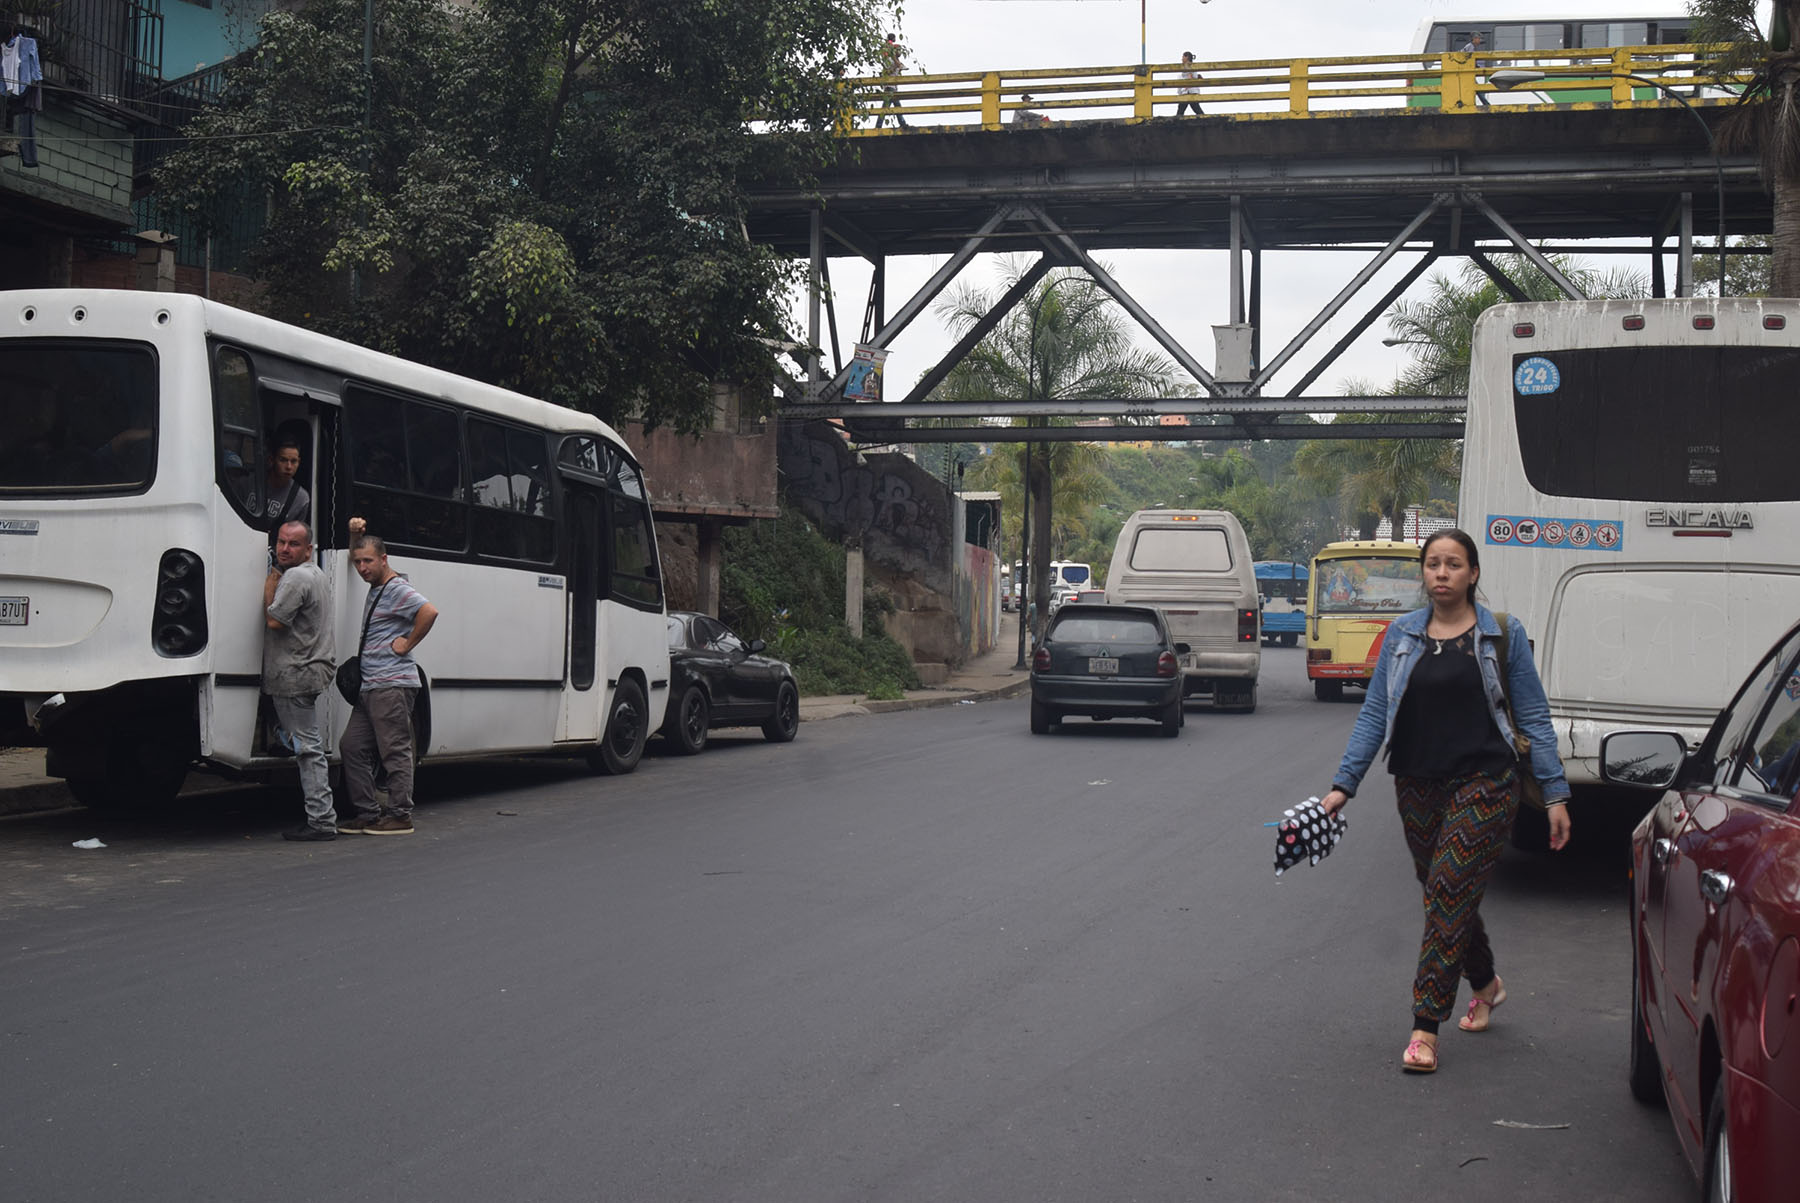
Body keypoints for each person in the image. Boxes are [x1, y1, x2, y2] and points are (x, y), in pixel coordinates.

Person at [1318, 528, 1571, 1075]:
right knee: (1443, 896)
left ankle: (1424, 1027)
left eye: (1453, 564)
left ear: (1472, 574)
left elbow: (1532, 717)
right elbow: (1373, 715)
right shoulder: (1402, 636)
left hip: (1486, 782)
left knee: (1450, 890)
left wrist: (1554, 793)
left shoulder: (1503, 635)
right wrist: (1344, 785)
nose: (1441, 573)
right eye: (1432, 564)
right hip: (1415, 783)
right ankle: (1485, 982)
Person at [338, 518, 439, 836]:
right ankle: (368, 813)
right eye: (357, 562)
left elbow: (429, 611)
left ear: (384, 559)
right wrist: (355, 536)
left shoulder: (396, 588)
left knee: (394, 750)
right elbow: (357, 549)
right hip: (371, 686)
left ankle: (400, 815)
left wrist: (408, 643)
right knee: (351, 746)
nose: (362, 568)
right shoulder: (377, 586)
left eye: (368, 561)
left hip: (392, 684)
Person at [264, 520, 337, 841]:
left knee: (308, 749)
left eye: (293, 544)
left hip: (295, 673)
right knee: (305, 744)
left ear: (309, 549)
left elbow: (274, 620)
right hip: (311, 670)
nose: (284, 549)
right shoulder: (317, 574)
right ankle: (322, 817)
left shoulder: (294, 576)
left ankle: (321, 820)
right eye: (281, 542)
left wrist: (272, 578)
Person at [263, 435, 310, 528]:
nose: (289, 466)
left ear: (299, 462)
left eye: (293, 461)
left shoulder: (301, 498)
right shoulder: (248, 483)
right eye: (283, 460)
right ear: (271, 460)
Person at [875, 32, 909, 129]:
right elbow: (887, 72)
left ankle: (901, 123)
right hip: (889, 87)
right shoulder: (889, 60)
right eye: (898, 50)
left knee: (892, 106)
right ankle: (901, 124)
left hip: (893, 87)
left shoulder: (897, 62)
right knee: (890, 107)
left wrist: (898, 65)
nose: (900, 52)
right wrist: (896, 65)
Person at [1175, 51, 1204, 117]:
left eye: (1183, 57)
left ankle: (1176, 122)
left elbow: (1192, 76)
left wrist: (1180, 92)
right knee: (1195, 108)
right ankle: (1204, 118)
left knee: (1182, 110)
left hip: (1188, 91)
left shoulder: (1191, 67)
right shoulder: (1187, 68)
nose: (1181, 59)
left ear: (1186, 57)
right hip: (1188, 91)